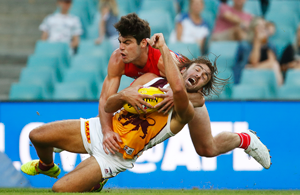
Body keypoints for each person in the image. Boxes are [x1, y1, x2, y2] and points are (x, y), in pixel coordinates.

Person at [20, 33, 218, 192]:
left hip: (116, 155)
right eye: (198, 69)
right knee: (36, 136)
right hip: (100, 130)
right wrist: (126, 94)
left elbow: (179, 90)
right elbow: (109, 105)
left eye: (204, 77)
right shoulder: (150, 77)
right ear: (184, 70)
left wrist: (163, 48)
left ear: (201, 87)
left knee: (60, 189)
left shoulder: (185, 111)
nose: (199, 75)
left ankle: (96, 179)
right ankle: (47, 166)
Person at [98, 13, 271, 171]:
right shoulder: (117, 59)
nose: (121, 47)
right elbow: (105, 99)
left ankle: (245, 139)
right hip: (164, 93)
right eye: (120, 41)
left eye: (126, 42)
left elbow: (199, 98)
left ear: (143, 43)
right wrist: (106, 131)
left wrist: (177, 95)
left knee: (207, 148)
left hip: (188, 93)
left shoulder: (162, 61)